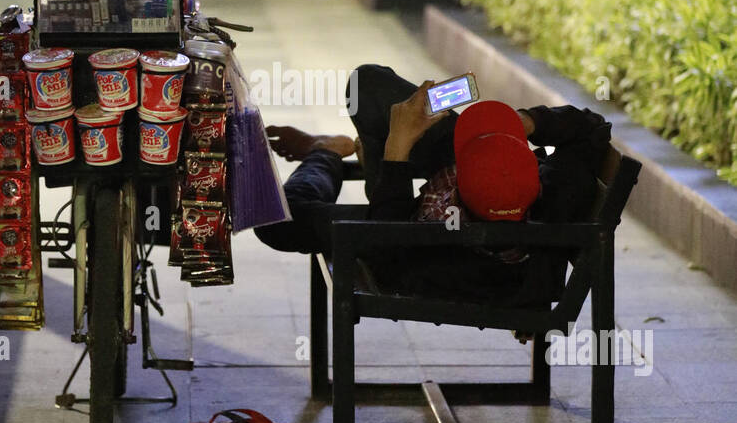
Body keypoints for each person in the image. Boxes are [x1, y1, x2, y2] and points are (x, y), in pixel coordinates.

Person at [257, 64, 611, 308]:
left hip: (402, 228)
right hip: (425, 211)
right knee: (369, 83)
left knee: (278, 218)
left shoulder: (442, 245)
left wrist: (398, 146)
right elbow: (592, 128)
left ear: (457, 200)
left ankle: (329, 153)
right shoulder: (557, 184)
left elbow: (386, 243)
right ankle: (375, 155)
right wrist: (521, 123)